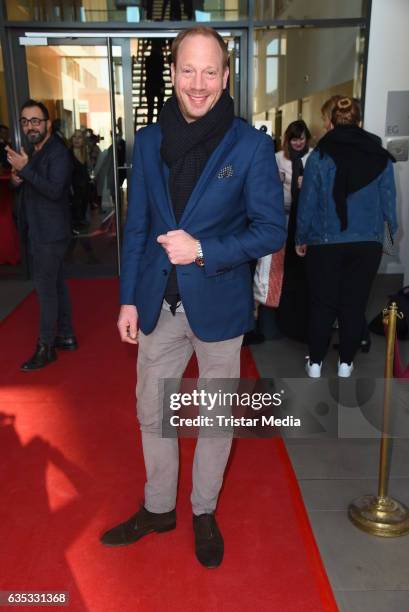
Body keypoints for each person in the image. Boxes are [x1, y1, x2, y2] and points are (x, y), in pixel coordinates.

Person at [100, 26, 286, 568]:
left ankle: (203, 511)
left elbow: (270, 230)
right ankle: (159, 508)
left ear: (225, 76)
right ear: (173, 73)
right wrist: (129, 300)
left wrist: (204, 249)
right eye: (188, 70)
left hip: (220, 307)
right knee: (152, 413)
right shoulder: (151, 139)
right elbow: (138, 228)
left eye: (210, 72)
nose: (198, 84)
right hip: (158, 303)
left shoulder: (250, 146)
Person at [295, 97, 397, 378]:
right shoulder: (379, 155)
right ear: (360, 122)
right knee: (354, 304)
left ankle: (315, 364)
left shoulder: (320, 155)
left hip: (324, 243)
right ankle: (345, 364)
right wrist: (388, 239)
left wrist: (301, 237)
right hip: (367, 243)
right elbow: (389, 200)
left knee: (322, 304)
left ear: (330, 122)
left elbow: (308, 203)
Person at [6, 99, 77, 370]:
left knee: (45, 290)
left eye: (36, 121)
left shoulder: (57, 152)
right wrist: (17, 180)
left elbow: (55, 190)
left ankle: (46, 347)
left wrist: (26, 170)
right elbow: (32, 186)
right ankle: (66, 335)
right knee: (56, 285)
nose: (30, 126)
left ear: (47, 123)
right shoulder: (34, 151)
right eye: (25, 121)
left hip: (50, 234)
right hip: (40, 230)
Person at [276, 120, 313, 341]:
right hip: (283, 218)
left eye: (302, 138)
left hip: (305, 218)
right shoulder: (278, 158)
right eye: (294, 138)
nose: (298, 142)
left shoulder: (314, 157)